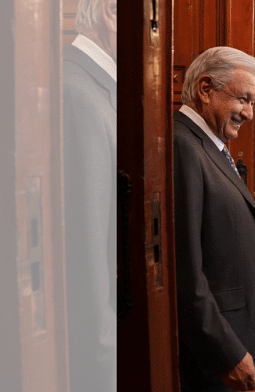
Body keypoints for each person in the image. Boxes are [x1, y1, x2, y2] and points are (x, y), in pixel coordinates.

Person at [174, 46, 255, 390]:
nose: (249, 113)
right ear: (206, 90)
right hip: (217, 354)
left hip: (238, 332)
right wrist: (227, 352)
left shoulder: (210, 145)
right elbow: (185, 270)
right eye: (243, 99)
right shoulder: (182, 146)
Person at [62, 0, 117, 390]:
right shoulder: (79, 91)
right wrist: (105, 361)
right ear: (110, 12)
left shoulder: (99, 89)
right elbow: (90, 242)